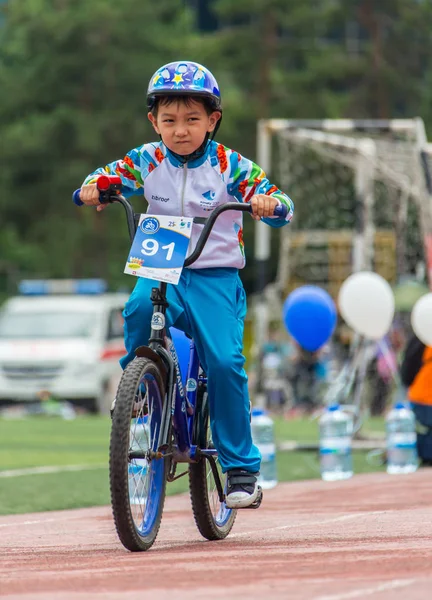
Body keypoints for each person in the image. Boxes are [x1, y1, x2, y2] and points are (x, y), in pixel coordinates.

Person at [77, 60, 294, 508]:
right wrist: (93, 189)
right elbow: (104, 176)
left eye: (193, 120)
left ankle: (241, 471)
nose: (180, 131)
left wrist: (268, 203)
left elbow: (280, 198)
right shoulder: (147, 159)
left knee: (224, 362)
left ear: (212, 121)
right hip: (161, 266)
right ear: (153, 121)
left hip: (214, 274)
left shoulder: (229, 164)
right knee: (138, 310)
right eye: (170, 120)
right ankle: (139, 393)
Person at [400, 332, 432, 465]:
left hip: (420, 396)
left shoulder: (422, 336)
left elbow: (407, 370)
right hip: (425, 398)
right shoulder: (424, 337)